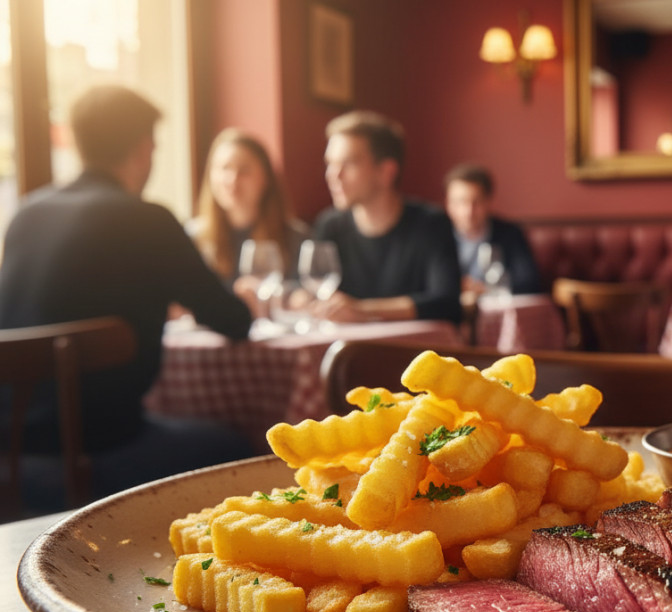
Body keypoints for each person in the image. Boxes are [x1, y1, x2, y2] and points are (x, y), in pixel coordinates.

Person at [0, 85, 255, 506]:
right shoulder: (147, 220)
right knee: (241, 451)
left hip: (9, 454)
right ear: (143, 148)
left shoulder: (26, 214)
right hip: (99, 452)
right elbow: (232, 321)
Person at [312, 111, 461, 323]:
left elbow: (446, 303)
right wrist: (301, 298)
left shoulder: (430, 223)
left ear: (386, 172)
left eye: (349, 163)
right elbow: (309, 292)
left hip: (414, 353)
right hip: (347, 353)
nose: (333, 175)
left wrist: (362, 310)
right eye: (330, 163)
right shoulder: (329, 225)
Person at [187, 128, 309, 291]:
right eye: (224, 168)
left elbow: (308, 295)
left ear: (266, 178)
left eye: (244, 170)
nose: (232, 179)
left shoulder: (295, 238)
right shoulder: (192, 238)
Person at [444, 162, 542, 296]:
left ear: (488, 201)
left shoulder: (509, 233)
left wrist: (486, 290)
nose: (468, 211)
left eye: (476, 202)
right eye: (461, 201)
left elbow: (529, 282)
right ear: (448, 203)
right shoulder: (436, 237)